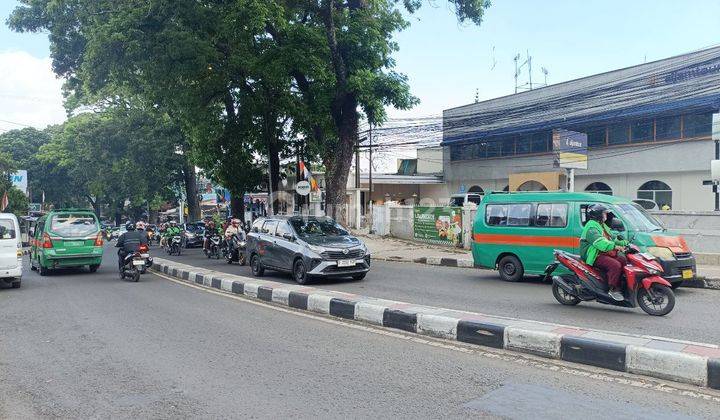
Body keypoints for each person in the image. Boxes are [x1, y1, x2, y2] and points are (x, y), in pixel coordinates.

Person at [580, 204, 628, 301]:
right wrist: (615, 246)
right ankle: (612, 289)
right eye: (604, 213)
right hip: (593, 255)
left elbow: (611, 237)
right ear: (598, 215)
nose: (606, 215)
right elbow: (599, 242)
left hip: (603, 252)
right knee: (615, 265)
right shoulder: (591, 227)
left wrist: (625, 243)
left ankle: (620, 283)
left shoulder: (601, 224)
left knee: (623, 259)